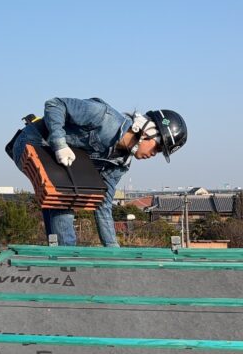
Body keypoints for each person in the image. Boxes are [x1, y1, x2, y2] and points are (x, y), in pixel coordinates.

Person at [12, 97, 187, 246]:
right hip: (32, 142)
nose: (153, 155)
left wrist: (112, 249)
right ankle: (66, 258)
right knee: (63, 197)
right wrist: (60, 144)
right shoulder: (104, 117)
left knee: (59, 195)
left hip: (58, 164)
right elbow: (55, 104)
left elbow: (103, 204)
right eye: (157, 148)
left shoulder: (120, 163)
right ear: (147, 132)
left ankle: (56, 253)